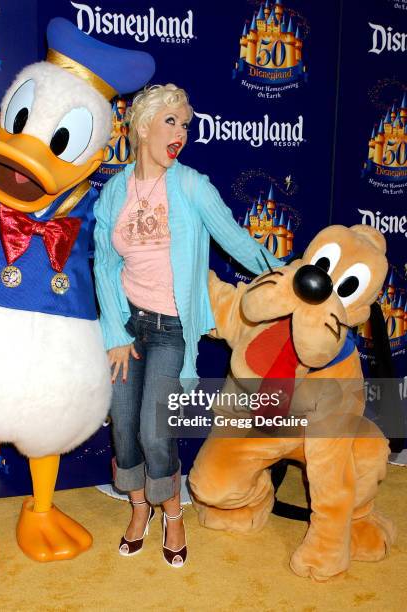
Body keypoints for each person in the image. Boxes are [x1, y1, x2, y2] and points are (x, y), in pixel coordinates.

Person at [93, 84, 283, 568]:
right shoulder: (115, 191)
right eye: (171, 122)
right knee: (124, 429)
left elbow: (239, 243)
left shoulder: (192, 186)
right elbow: (105, 266)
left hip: (172, 329)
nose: (181, 133)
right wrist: (114, 333)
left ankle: (172, 515)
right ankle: (139, 510)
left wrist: (292, 278)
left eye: (185, 124)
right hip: (127, 325)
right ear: (142, 126)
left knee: (156, 432)